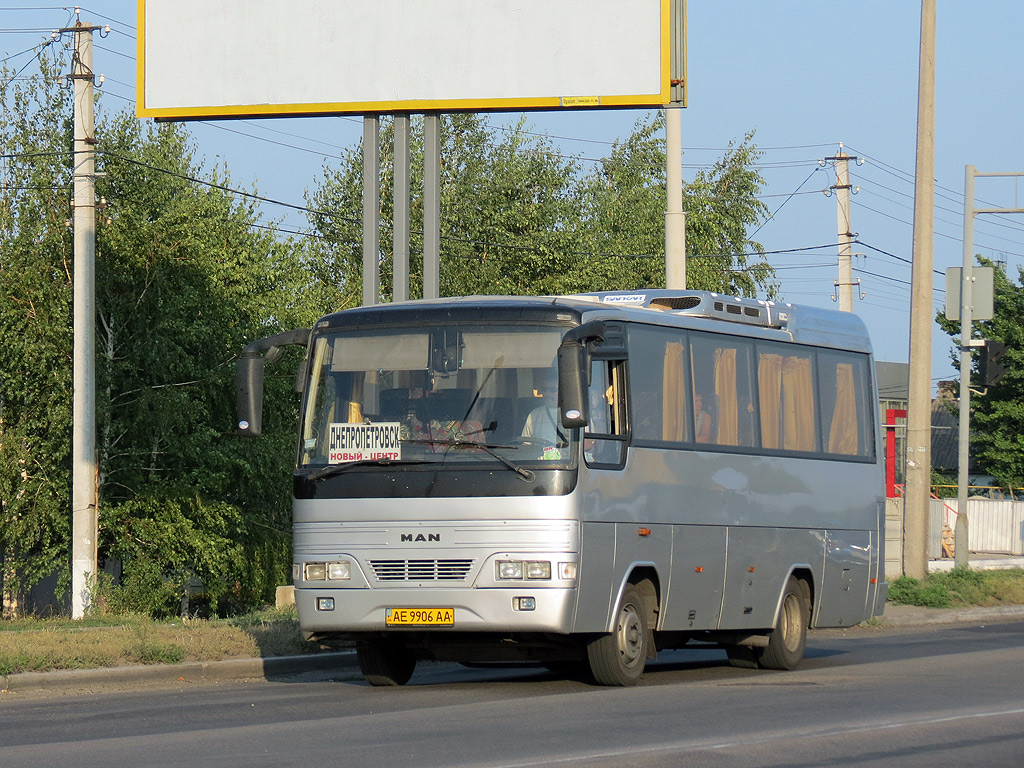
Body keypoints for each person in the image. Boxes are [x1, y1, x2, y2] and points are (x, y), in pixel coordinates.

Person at [521, 374, 567, 447]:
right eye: (545, 389)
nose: (548, 393)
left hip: (566, 457)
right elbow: (526, 445)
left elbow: (587, 444)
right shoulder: (534, 415)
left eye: (553, 390)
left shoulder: (574, 414)